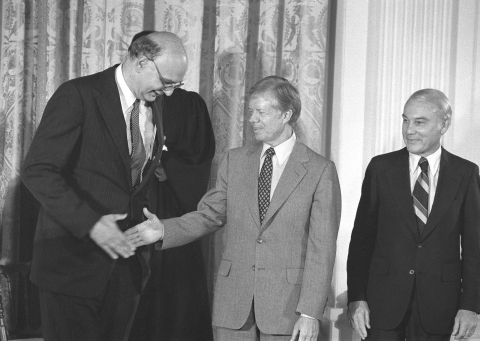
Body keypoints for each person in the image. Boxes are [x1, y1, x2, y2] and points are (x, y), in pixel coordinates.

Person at [125, 75, 342, 341]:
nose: (252, 119)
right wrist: (163, 231)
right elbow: (208, 215)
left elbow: (322, 248)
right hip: (234, 308)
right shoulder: (235, 161)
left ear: (286, 114)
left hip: (288, 311)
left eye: (261, 112)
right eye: (251, 111)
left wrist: (310, 314)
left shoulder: (320, 170)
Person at [21, 31, 188, 341]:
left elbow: (129, 181)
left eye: (176, 86)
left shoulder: (154, 103)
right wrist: (92, 224)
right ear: (141, 62)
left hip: (126, 269)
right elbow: (38, 170)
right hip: (72, 265)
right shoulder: (78, 94)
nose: (168, 92)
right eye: (166, 82)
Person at [347, 89, 480, 341]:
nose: (409, 130)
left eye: (420, 122)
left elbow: (475, 247)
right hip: (382, 304)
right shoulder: (380, 168)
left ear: (444, 124)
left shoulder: (466, 173)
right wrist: (357, 297)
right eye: (406, 120)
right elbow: (361, 241)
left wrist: (471, 305)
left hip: (439, 306)